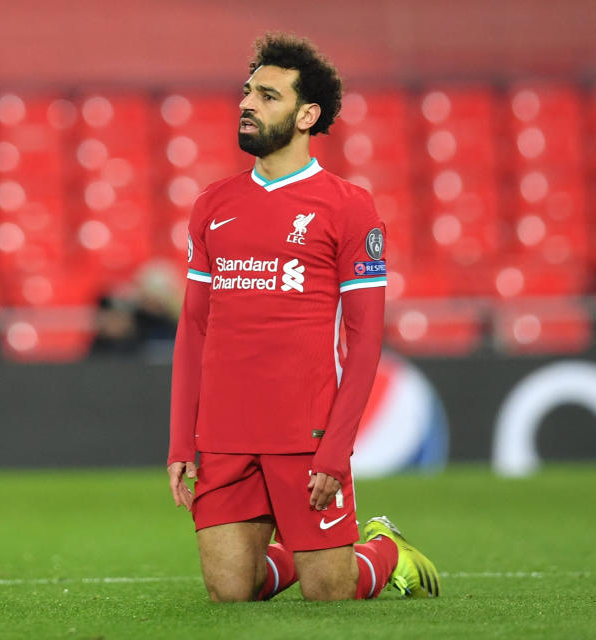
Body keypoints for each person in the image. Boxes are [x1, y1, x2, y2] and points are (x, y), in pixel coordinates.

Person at [167, 32, 440, 602]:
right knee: (230, 593)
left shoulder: (347, 206)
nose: (247, 104)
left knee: (330, 594)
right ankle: (298, 549)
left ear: (306, 114)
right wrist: (180, 444)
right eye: (247, 93)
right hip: (224, 433)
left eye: (268, 96)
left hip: (304, 432)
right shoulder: (213, 205)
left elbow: (365, 339)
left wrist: (334, 451)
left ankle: (386, 552)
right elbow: (193, 329)